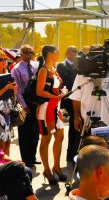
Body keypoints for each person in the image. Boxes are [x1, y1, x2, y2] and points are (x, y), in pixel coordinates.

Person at [36, 45, 65, 184]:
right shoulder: (43, 70)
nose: (58, 53)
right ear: (48, 54)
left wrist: (61, 94)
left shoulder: (54, 68)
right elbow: (39, 91)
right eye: (56, 51)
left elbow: (55, 88)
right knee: (46, 139)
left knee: (60, 136)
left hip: (55, 107)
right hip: (46, 108)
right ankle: (47, 169)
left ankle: (57, 166)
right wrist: (55, 97)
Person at [11, 44, 40, 167]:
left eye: (31, 52)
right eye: (26, 52)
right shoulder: (16, 69)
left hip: (36, 102)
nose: (29, 55)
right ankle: (26, 159)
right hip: (24, 103)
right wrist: (24, 105)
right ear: (21, 54)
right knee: (24, 133)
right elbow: (16, 90)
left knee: (35, 132)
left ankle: (33, 157)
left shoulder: (36, 66)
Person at [56, 45, 79, 162]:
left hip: (78, 98)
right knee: (73, 127)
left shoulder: (77, 65)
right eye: (73, 51)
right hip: (68, 100)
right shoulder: (61, 65)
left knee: (77, 128)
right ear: (66, 53)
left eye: (76, 51)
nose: (75, 53)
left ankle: (75, 151)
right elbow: (69, 80)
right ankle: (70, 154)